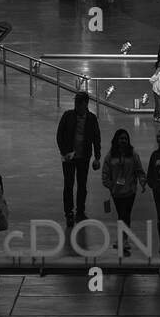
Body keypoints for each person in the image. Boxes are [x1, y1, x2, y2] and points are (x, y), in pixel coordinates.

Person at [55, 92, 102, 227]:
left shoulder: (92, 119)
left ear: (85, 104)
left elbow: (96, 138)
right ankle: (69, 213)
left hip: (84, 157)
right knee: (68, 186)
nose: (76, 106)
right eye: (76, 103)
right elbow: (59, 135)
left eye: (79, 104)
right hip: (69, 158)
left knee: (82, 185)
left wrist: (97, 156)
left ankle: (80, 212)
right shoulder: (68, 116)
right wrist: (64, 152)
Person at [100, 129, 147, 254]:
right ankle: (123, 238)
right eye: (121, 138)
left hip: (130, 191)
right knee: (122, 215)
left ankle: (123, 239)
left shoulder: (133, 154)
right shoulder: (110, 156)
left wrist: (142, 182)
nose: (123, 141)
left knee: (125, 214)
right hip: (116, 192)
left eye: (125, 139)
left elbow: (139, 170)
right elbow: (105, 173)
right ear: (116, 140)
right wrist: (110, 186)